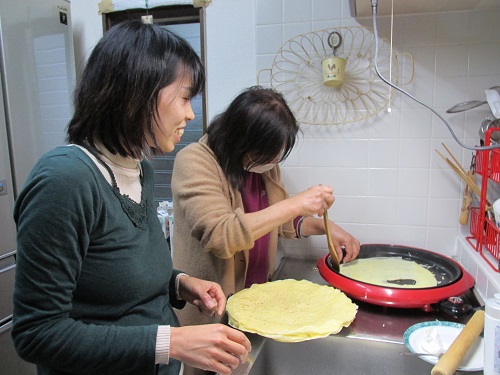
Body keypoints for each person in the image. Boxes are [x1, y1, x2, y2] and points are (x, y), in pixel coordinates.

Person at [11, 20, 251, 375]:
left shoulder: (141, 169)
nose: (190, 113)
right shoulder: (65, 180)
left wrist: (179, 284)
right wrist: (173, 342)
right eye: (184, 97)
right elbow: (37, 333)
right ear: (138, 93)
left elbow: (117, 277)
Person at [171, 86, 361, 331]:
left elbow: (280, 221)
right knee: (210, 368)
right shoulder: (195, 161)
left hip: (256, 301)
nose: (274, 161)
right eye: (268, 153)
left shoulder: (263, 165)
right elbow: (222, 235)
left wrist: (327, 228)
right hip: (210, 310)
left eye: (277, 154)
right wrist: (297, 203)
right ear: (240, 140)